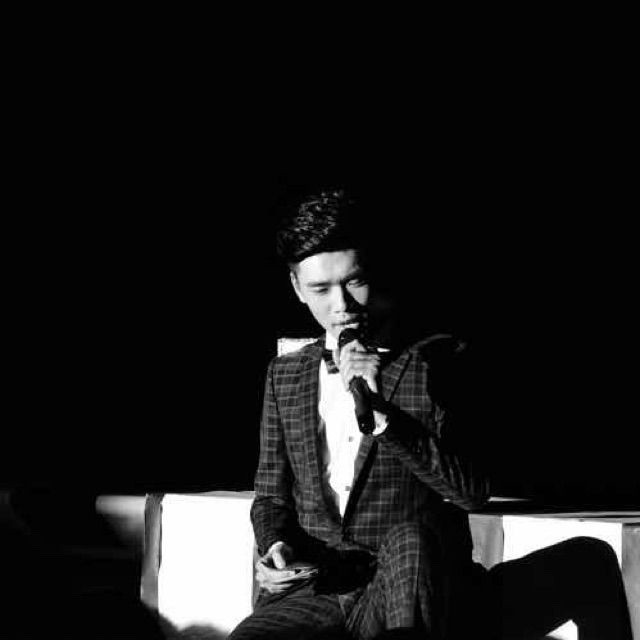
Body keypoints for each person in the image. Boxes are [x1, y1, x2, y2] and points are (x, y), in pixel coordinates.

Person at [229, 189, 632, 639]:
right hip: (321, 589)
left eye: (354, 282)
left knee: (414, 539)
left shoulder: (439, 361)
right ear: (296, 288)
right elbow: (271, 497)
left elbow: (471, 493)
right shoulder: (284, 375)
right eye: (321, 289)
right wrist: (276, 545)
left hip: (419, 583)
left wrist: (383, 417)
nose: (342, 304)